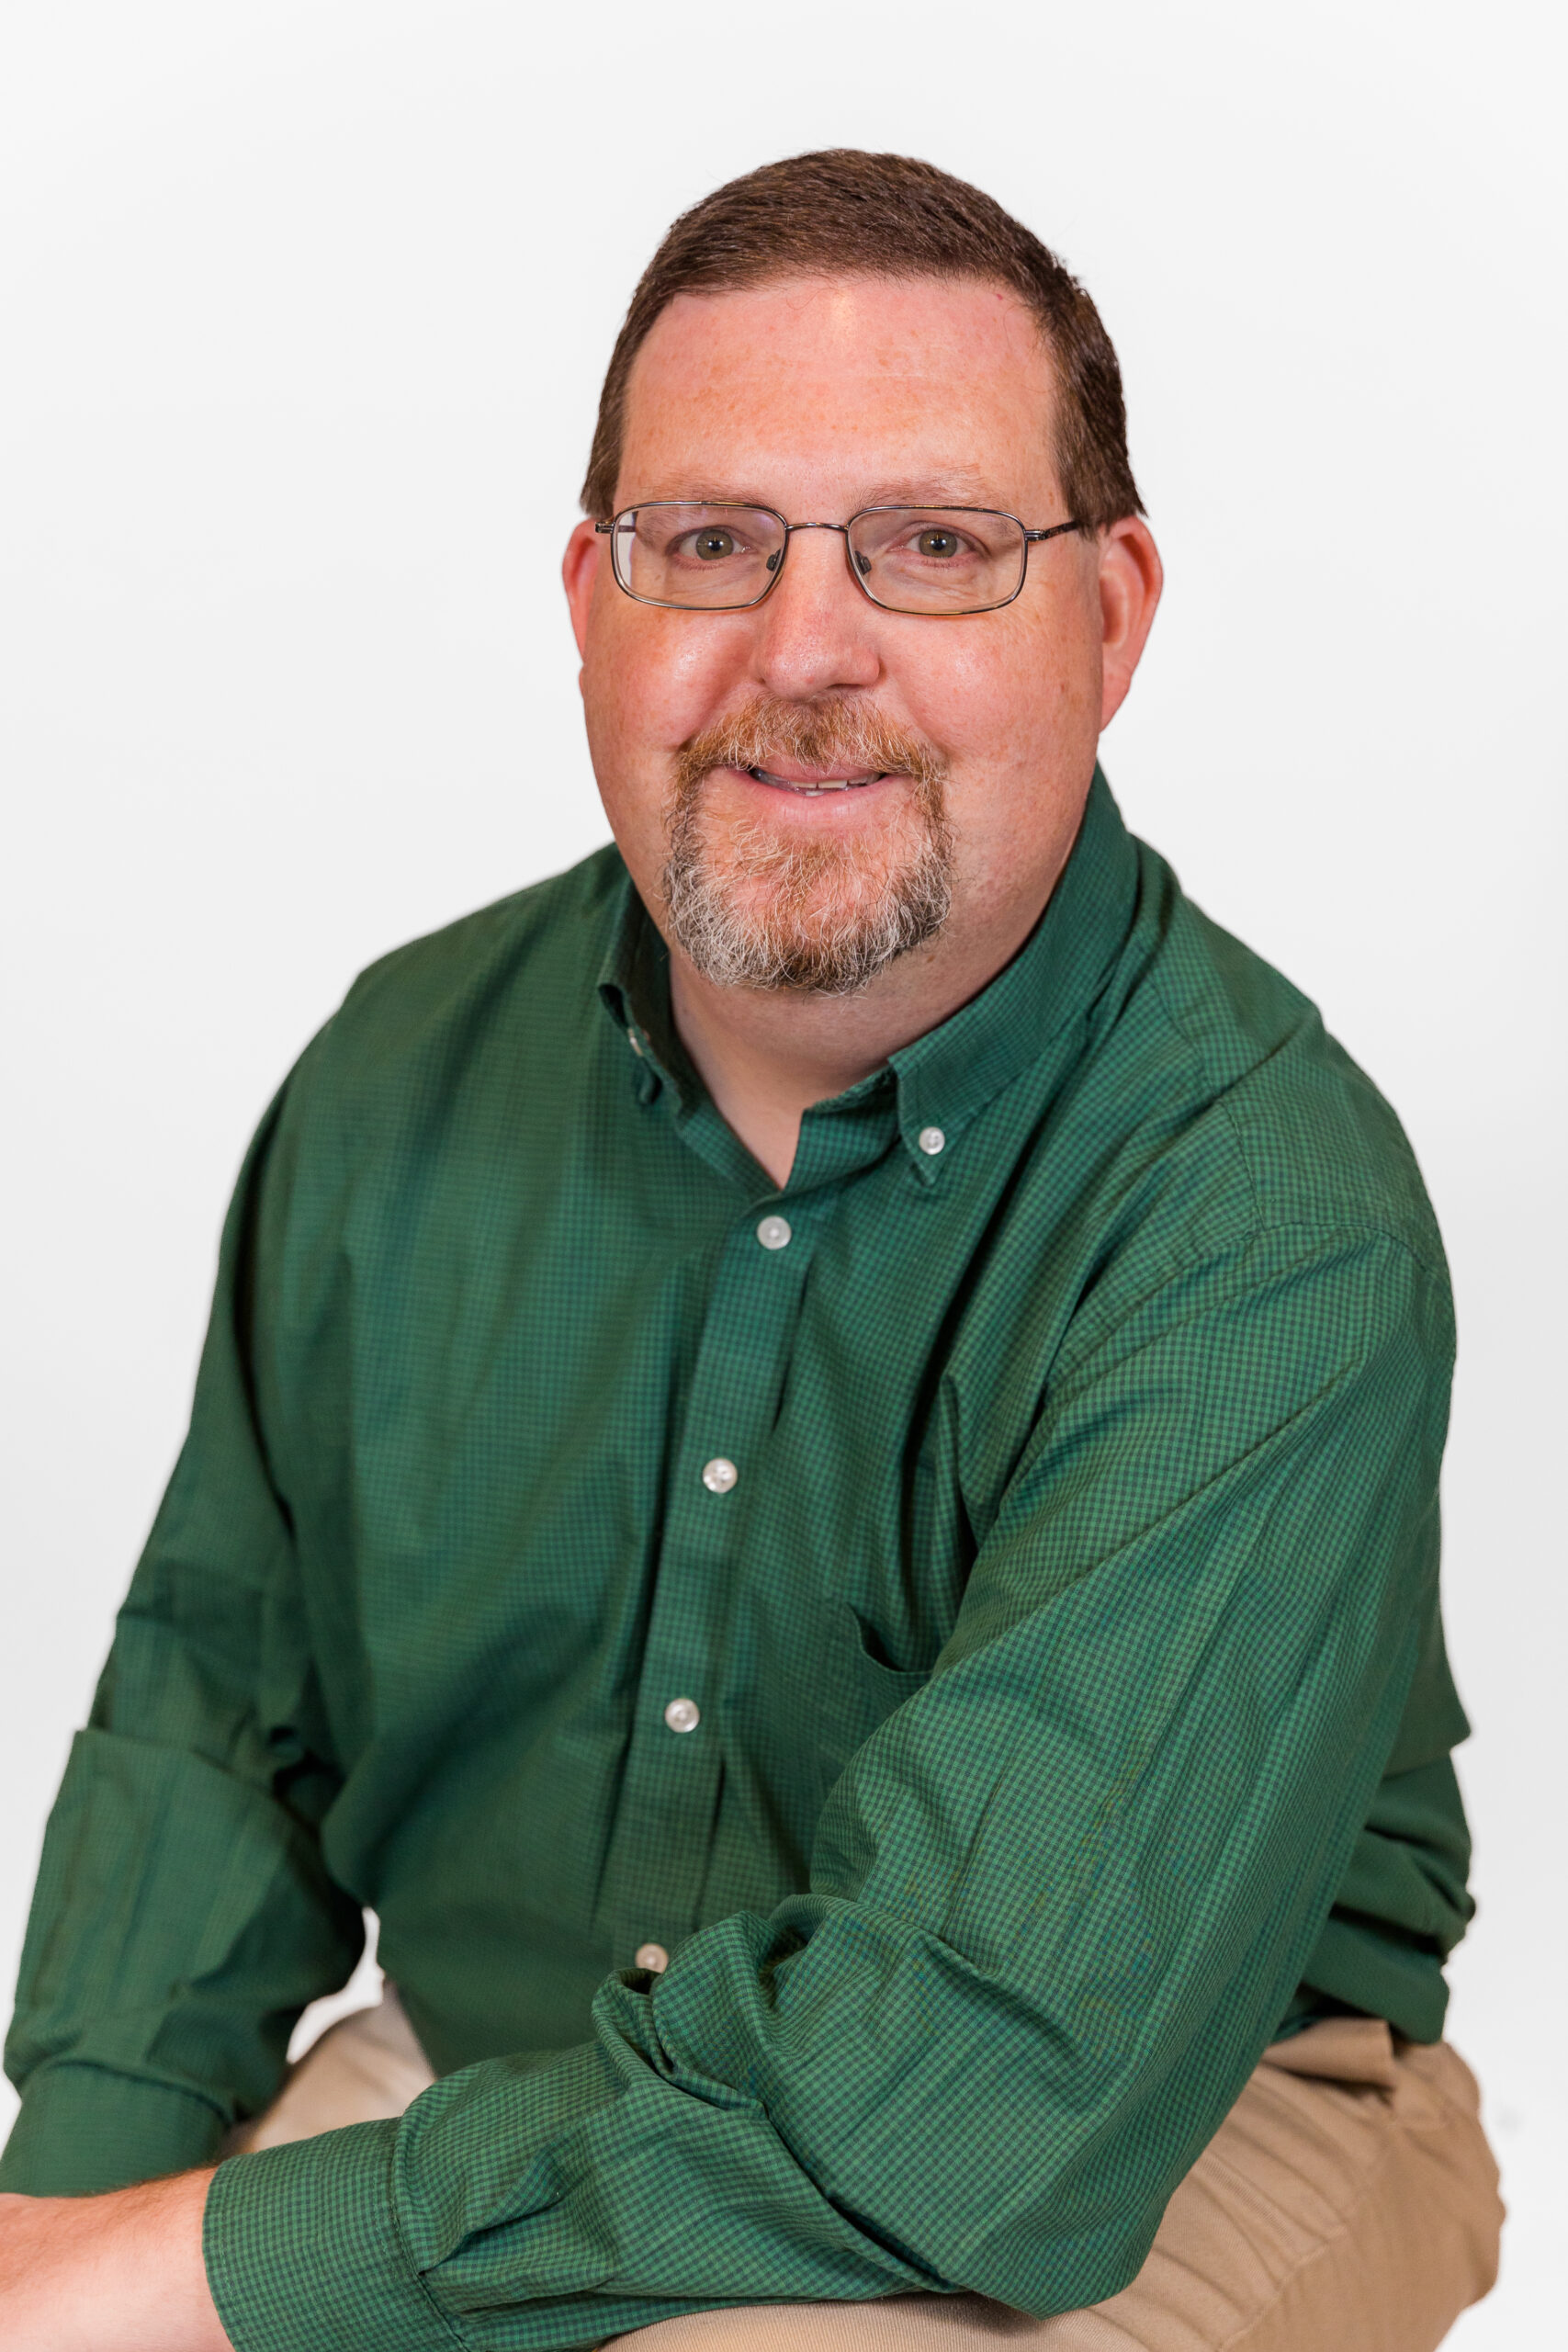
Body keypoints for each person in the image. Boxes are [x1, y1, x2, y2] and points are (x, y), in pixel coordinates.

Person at [0, 150, 1501, 2352]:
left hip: (1144, 2107)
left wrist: (182, 2274)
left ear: (1114, 614)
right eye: (708, 543)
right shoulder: (401, 1069)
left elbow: (972, 2085)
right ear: (590, 601)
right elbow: (222, 1718)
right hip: (514, 2068)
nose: (803, 648)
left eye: (934, 546)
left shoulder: (1263, 1212)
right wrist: (66, 2210)